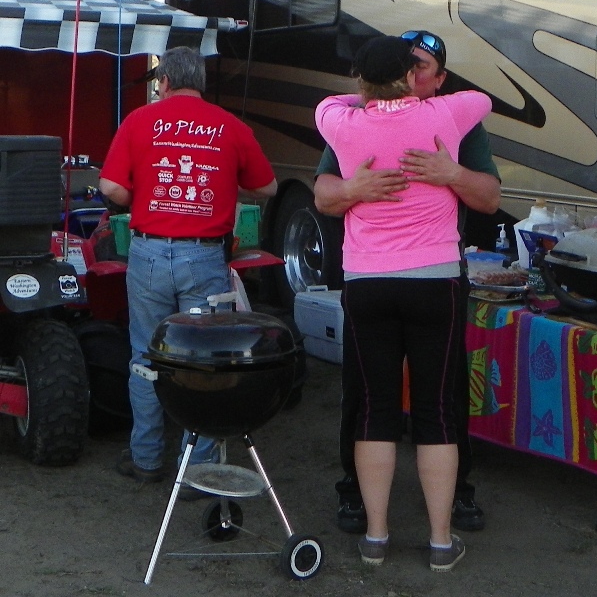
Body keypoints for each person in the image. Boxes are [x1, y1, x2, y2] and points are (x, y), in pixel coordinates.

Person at [314, 34, 492, 571]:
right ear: (411, 75)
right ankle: (440, 542)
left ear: (360, 79)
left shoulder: (342, 122)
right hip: (434, 279)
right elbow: (482, 98)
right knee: (437, 411)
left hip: (367, 279)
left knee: (375, 408)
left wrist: (362, 102)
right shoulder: (447, 115)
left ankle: (376, 536)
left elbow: (327, 106)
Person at [98, 46, 277, 488]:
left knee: (146, 354)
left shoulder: (140, 121)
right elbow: (267, 186)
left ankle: (145, 458)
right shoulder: (230, 126)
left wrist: (147, 192)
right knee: (204, 362)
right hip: (204, 256)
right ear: (200, 82)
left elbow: (110, 188)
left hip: (149, 254)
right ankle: (196, 469)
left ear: (164, 83)